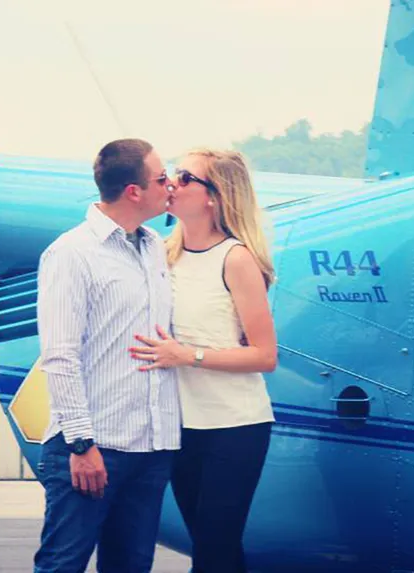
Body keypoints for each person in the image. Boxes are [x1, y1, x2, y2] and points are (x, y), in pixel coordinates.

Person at [33, 138, 180, 573]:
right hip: (93, 448)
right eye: (161, 178)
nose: (170, 184)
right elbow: (59, 356)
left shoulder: (153, 245)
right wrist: (81, 444)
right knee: (63, 564)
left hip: (151, 448)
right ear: (134, 191)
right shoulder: (71, 253)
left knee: (132, 566)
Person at [129, 148, 277, 573]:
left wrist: (186, 355)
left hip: (233, 426)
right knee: (214, 549)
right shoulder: (160, 254)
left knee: (214, 547)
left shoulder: (236, 258)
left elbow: (264, 355)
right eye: (172, 175)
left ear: (214, 196)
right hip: (180, 425)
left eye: (186, 178)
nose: (172, 184)